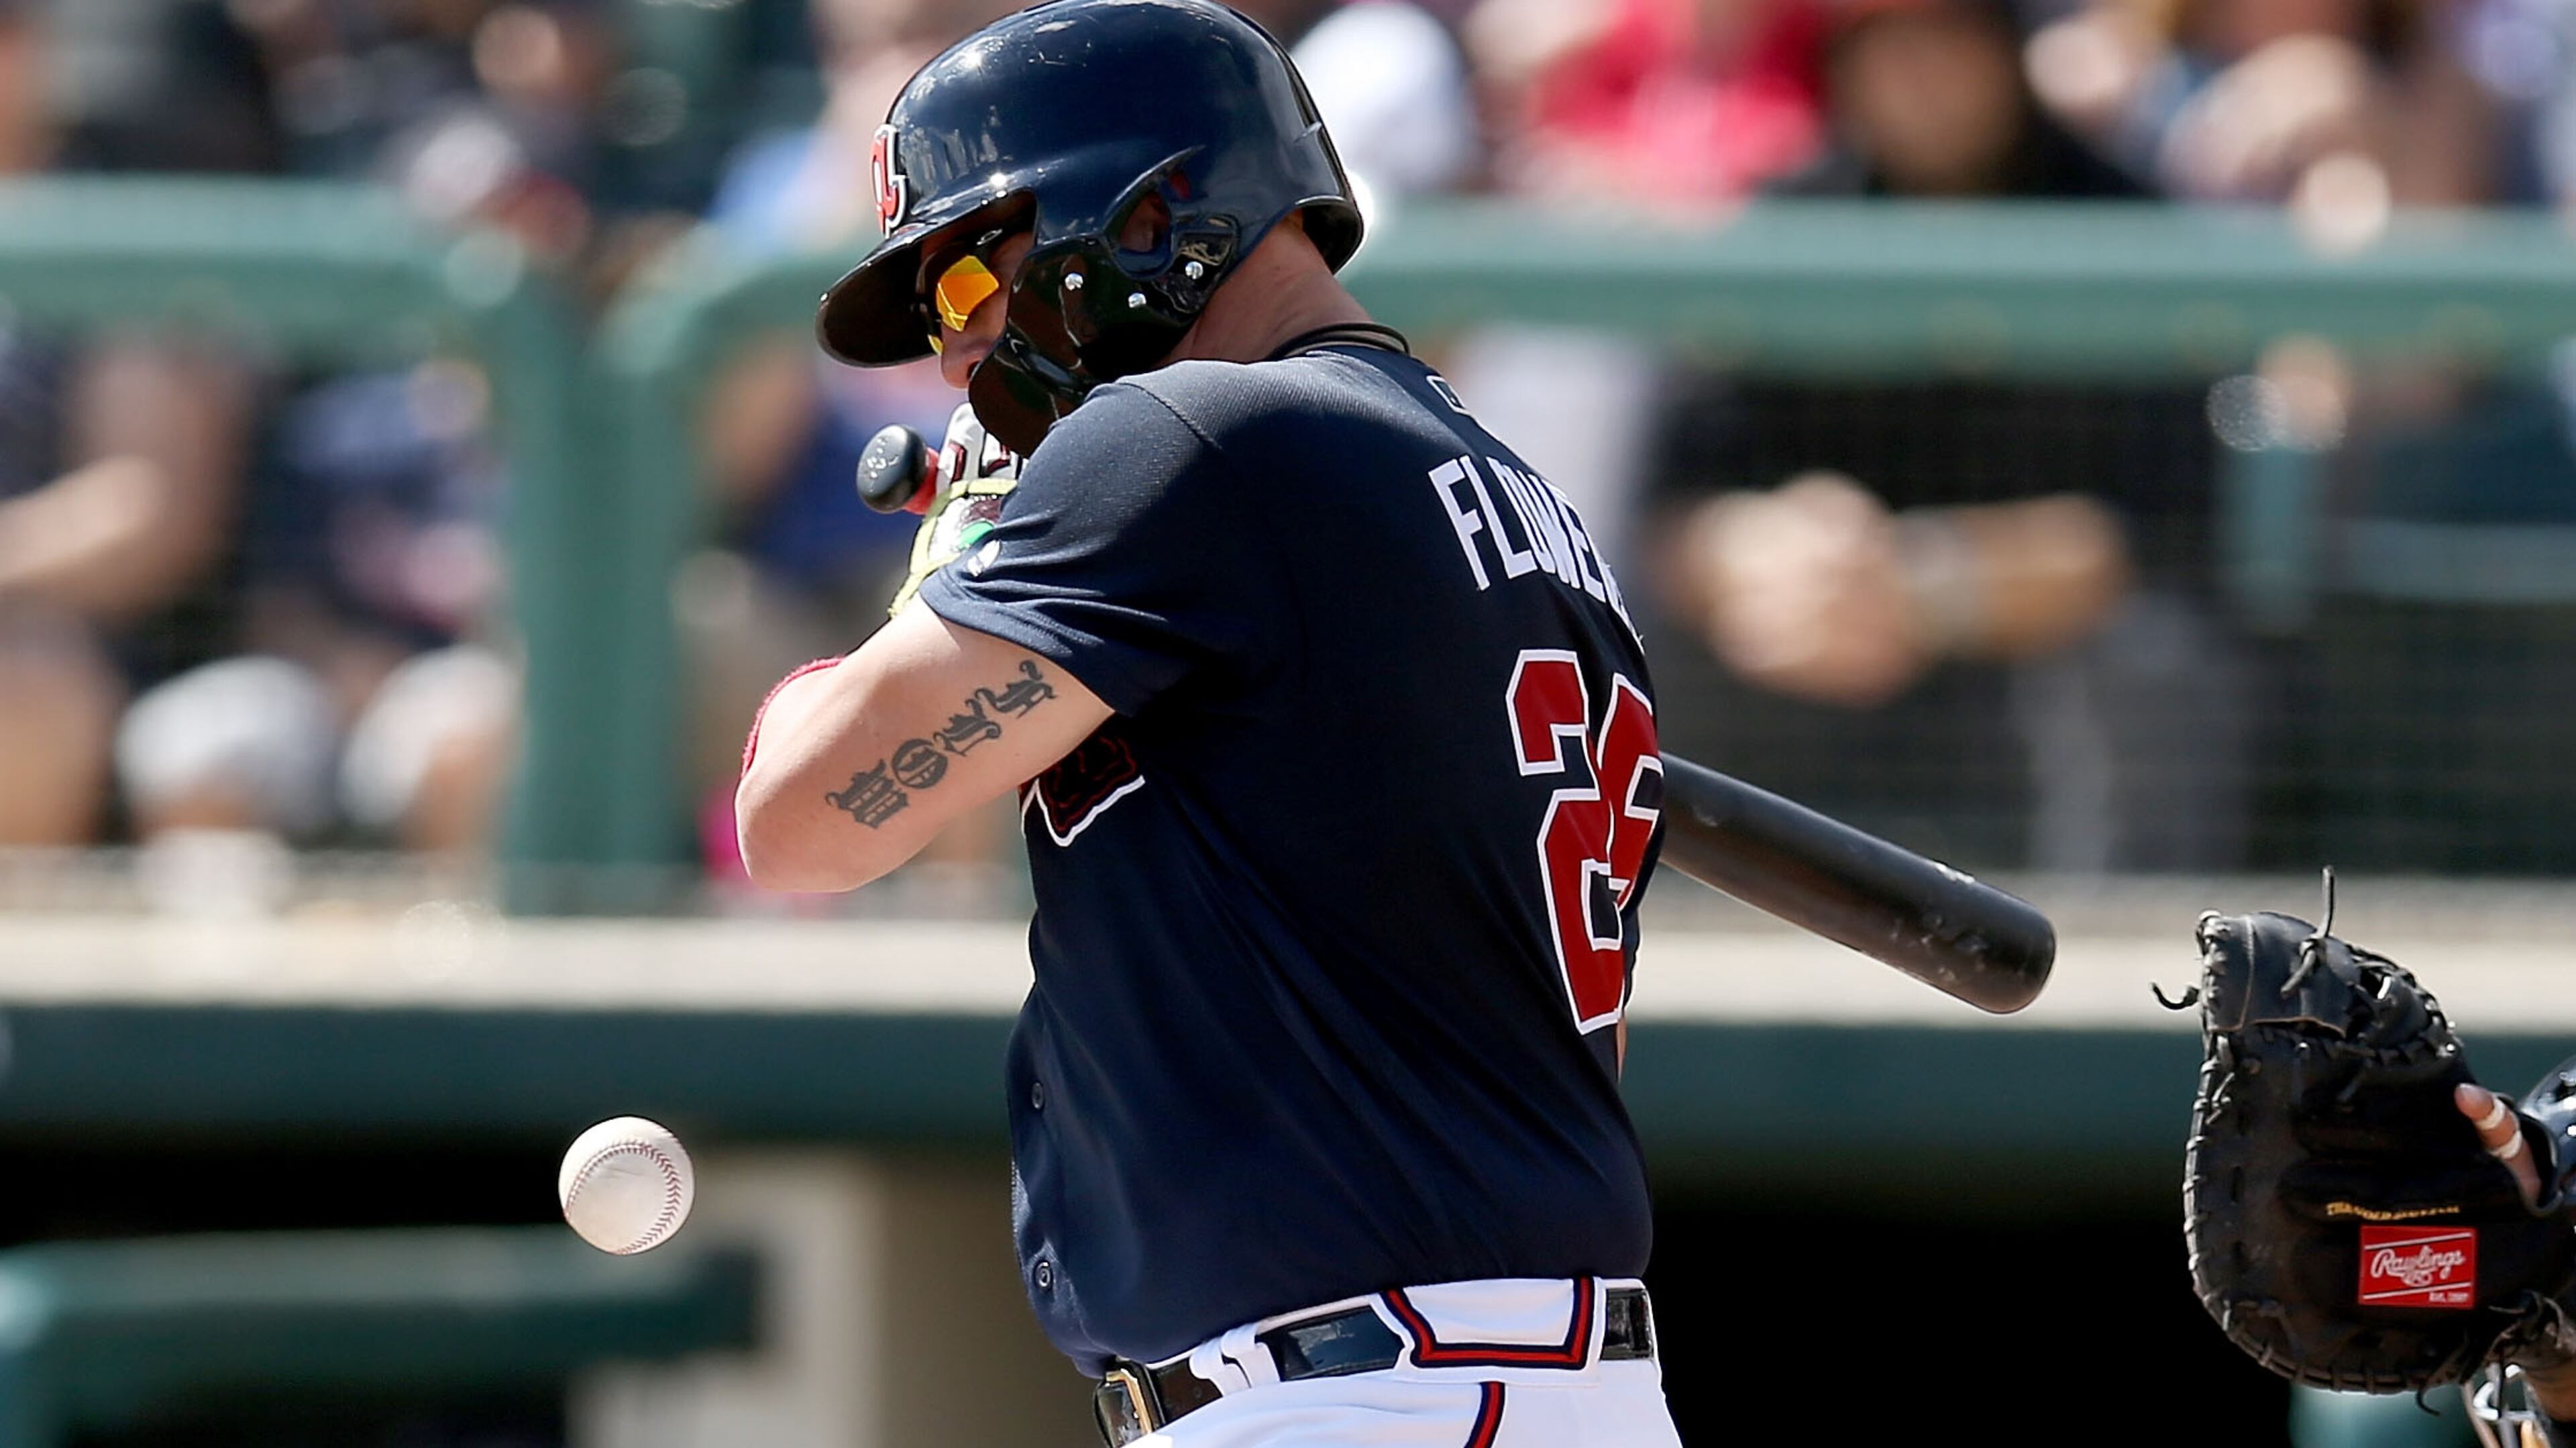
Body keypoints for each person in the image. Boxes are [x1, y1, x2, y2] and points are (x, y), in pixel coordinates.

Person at [733, 3, 1680, 1444]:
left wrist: (965, 552)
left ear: (1154, 210)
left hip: (1367, 1393)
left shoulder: (1187, 441)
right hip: (1506, 1373)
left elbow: (801, 823)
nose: (953, 356)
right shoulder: (1518, 505)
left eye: (973, 271)